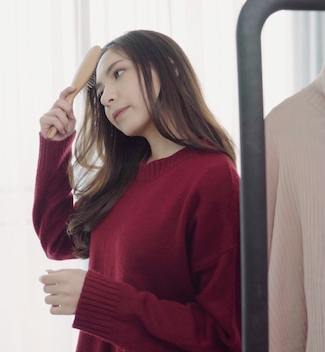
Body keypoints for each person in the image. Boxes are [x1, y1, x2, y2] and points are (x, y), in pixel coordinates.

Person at [32, 30, 242, 351]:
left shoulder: (212, 177)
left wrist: (97, 300)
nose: (105, 98)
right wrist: (56, 147)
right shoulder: (123, 177)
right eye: (99, 91)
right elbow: (57, 240)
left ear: (169, 68)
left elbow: (220, 335)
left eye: (118, 73)